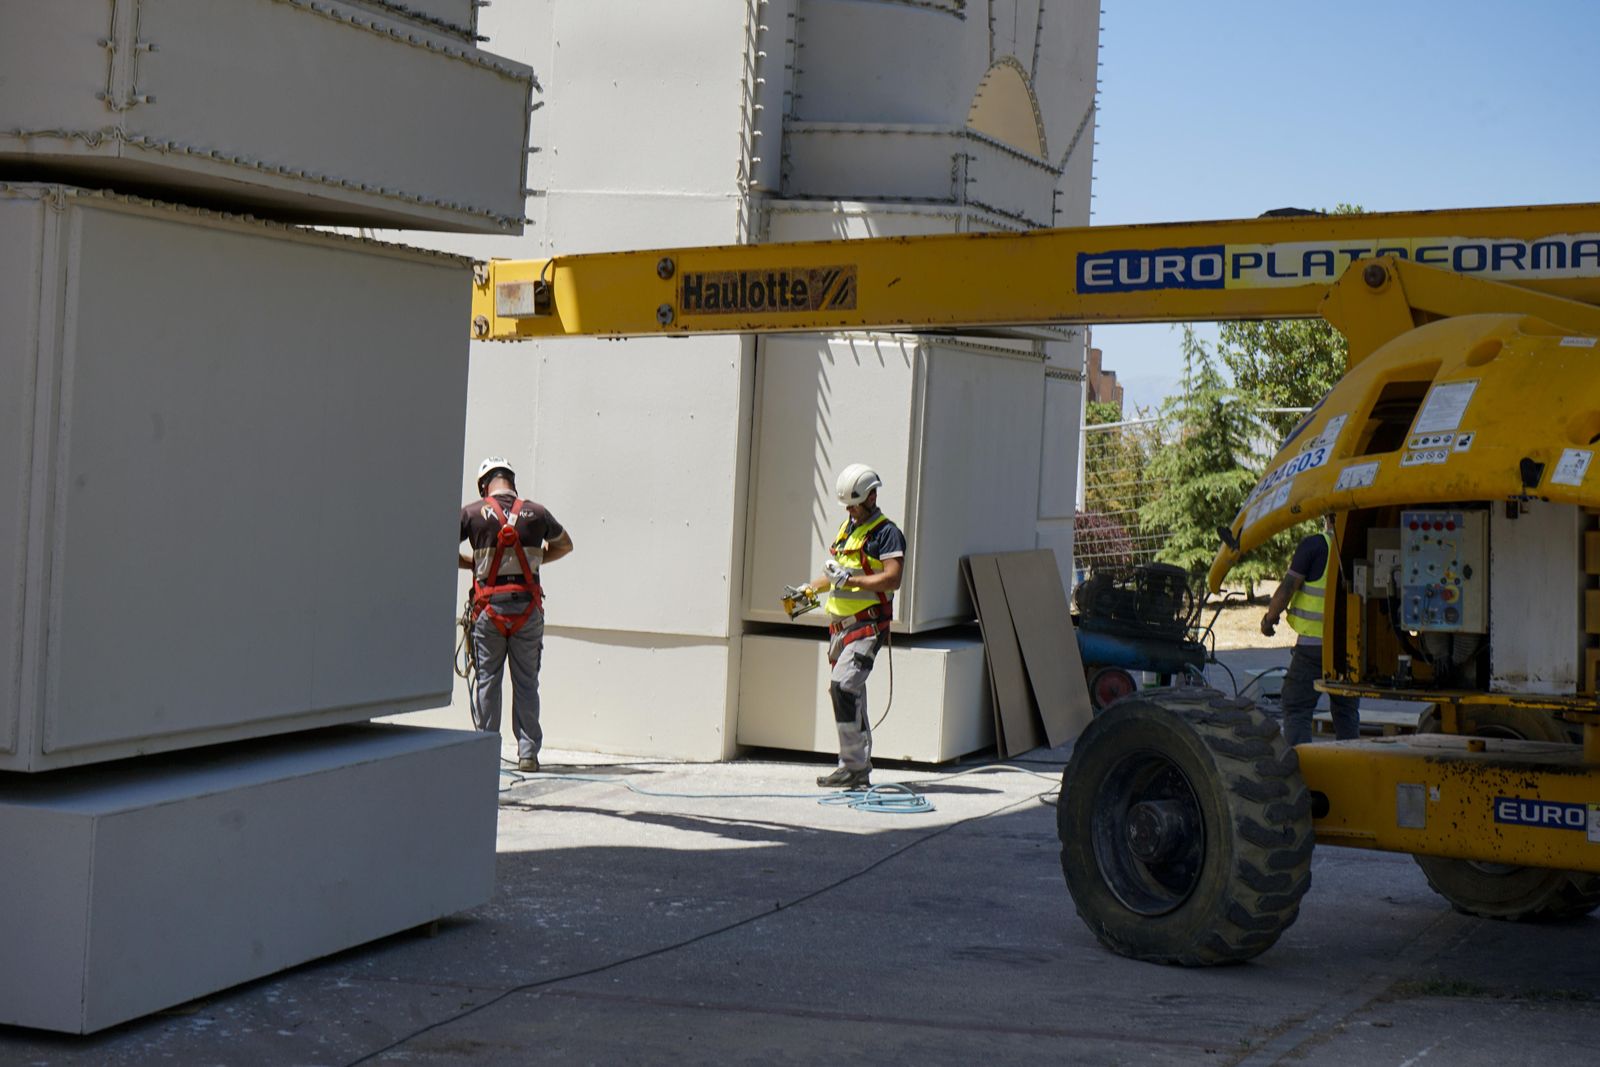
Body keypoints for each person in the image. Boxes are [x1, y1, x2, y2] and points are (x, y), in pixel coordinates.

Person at [459, 456, 573, 772]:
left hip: (488, 611)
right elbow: (565, 546)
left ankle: (484, 752)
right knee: (526, 682)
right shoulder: (535, 512)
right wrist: (532, 560)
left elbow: (436, 546)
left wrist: (473, 563)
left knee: (488, 681)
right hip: (527, 609)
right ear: (512, 481)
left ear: (485, 485)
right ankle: (527, 754)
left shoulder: (471, 513)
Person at [798, 463, 905, 789]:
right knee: (847, 691)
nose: (850, 509)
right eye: (847, 505)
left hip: (867, 626)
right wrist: (805, 594)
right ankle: (855, 766)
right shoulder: (848, 529)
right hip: (841, 629)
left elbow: (893, 578)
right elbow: (835, 578)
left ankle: (854, 767)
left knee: (844, 686)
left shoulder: (886, 533)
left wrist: (853, 581)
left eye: (855, 503)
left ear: (872, 496)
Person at [1260, 514, 1359, 745]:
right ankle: (1350, 764)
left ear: (1328, 517)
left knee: (1296, 707)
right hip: (1349, 649)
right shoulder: (1360, 544)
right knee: (1346, 711)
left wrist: (1269, 620)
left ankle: (1299, 769)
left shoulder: (1314, 546)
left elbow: (1286, 589)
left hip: (1313, 647)